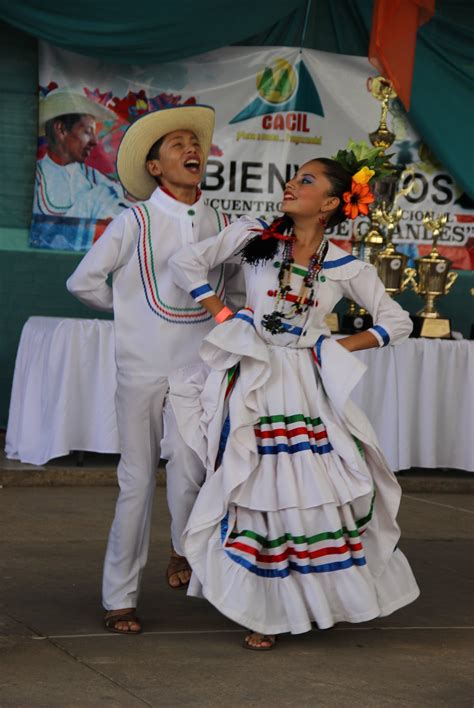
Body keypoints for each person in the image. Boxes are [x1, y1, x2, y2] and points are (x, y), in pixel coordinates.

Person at [168, 157, 420, 650]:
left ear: (329, 204)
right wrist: (221, 311)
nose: (291, 184)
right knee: (257, 483)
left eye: (306, 180)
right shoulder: (255, 234)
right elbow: (185, 262)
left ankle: (312, 600)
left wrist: (331, 347)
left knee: (306, 491)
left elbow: (398, 321)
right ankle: (263, 608)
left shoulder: (345, 264)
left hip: (305, 384)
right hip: (254, 374)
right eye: (293, 176)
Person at [66, 104, 244, 634]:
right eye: (176, 145)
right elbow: (83, 281)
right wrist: (129, 312)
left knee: (193, 468)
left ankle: (183, 551)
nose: (192, 149)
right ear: (155, 167)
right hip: (141, 367)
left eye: (195, 142)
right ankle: (119, 597)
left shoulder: (223, 223)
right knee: (137, 480)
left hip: (198, 365)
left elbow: (234, 289)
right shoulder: (134, 220)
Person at [34, 89, 131, 220]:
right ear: (61, 129)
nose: (94, 141)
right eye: (87, 131)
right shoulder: (35, 179)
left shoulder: (95, 179)